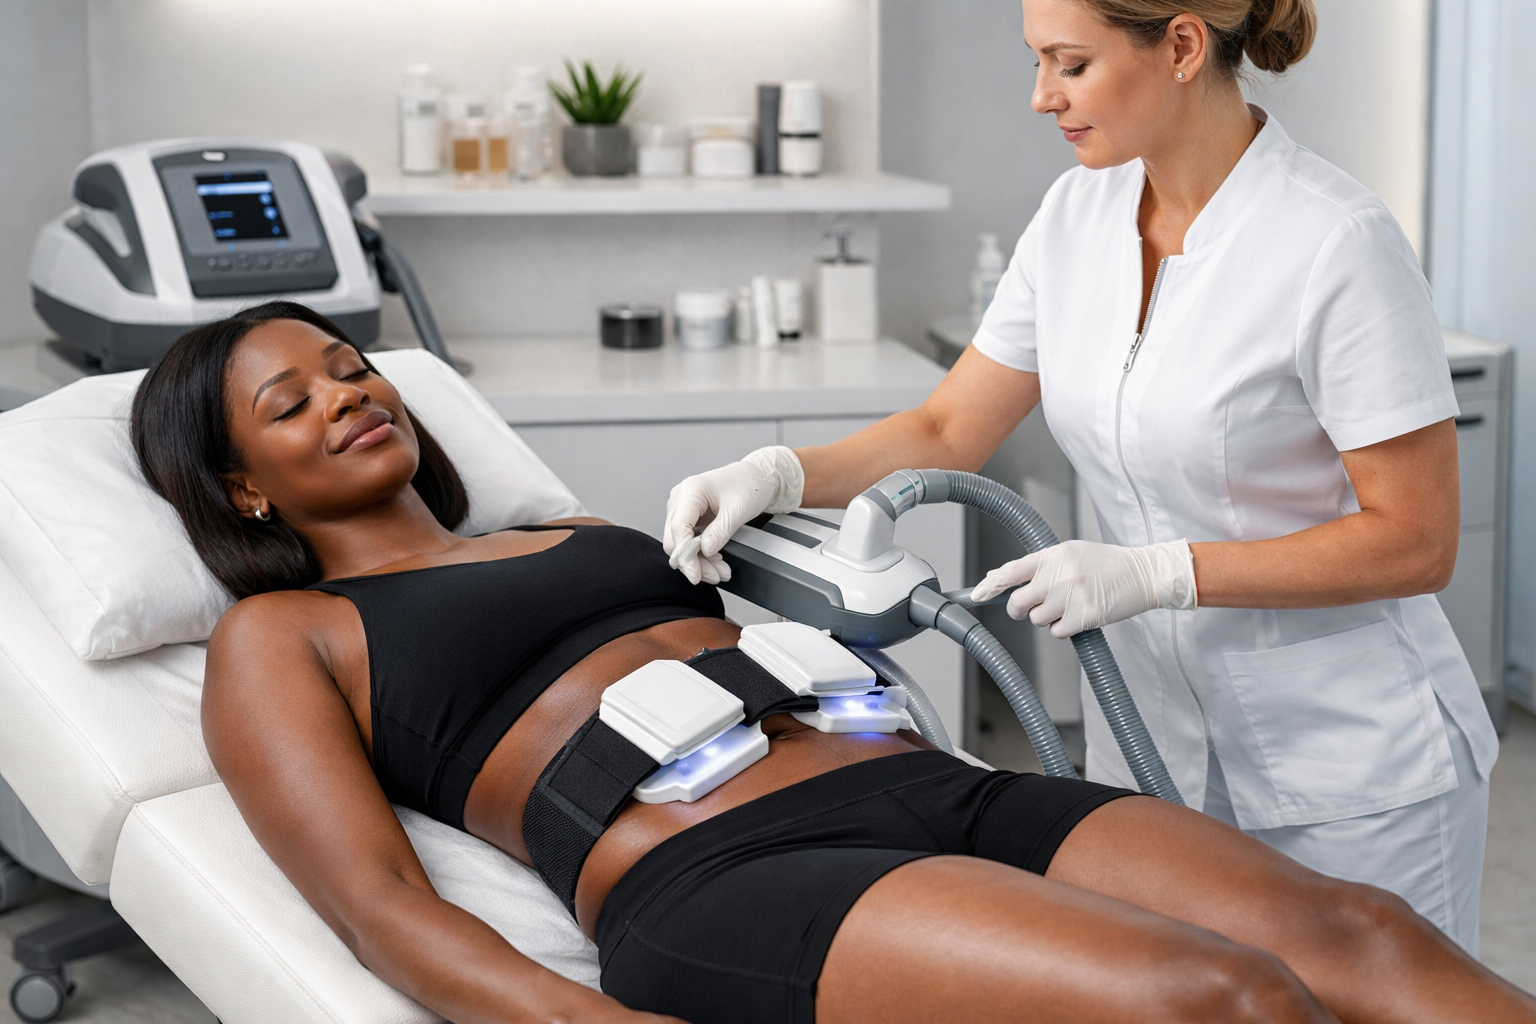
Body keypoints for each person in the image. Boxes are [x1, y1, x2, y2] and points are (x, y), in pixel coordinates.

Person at [128, 303, 1534, 1024]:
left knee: (1359, 938)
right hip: (722, 874)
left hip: (928, 784)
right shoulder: (282, 637)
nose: (350, 394)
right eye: (291, 401)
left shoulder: (571, 526)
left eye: (349, 365)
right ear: (241, 485)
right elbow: (378, 909)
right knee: (1216, 999)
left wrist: (782, 488)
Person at [664, 0, 1498, 955]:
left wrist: (1160, 574)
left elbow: (1416, 538)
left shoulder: (1334, 241)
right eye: (1037, 62)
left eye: (1070, 63)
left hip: (1349, 765)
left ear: (1182, 45)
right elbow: (948, 426)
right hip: (1150, 747)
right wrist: (773, 474)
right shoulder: (1076, 216)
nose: (1040, 96)